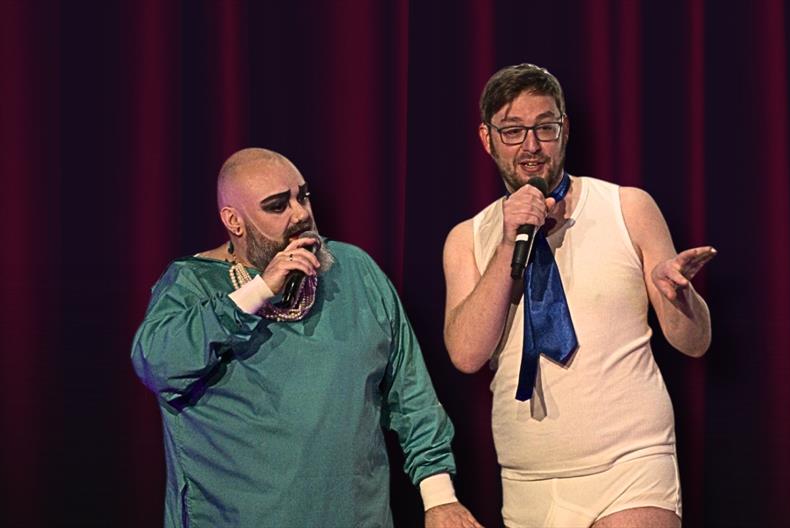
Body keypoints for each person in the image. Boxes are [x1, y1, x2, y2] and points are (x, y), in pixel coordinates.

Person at [132, 148, 481, 527]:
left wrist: (440, 498)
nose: (300, 214)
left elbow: (410, 392)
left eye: (303, 196)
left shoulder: (354, 271)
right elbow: (157, 363)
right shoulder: (192, 284)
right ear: (234, 221)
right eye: (277, 206)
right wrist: (259, 291)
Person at [442, 64, 716, 528]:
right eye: (512, 131)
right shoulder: (466, 238)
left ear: (564, 129)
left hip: (631, 462)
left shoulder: (627, 206)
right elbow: (467, 354)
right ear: (487, 139)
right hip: (530, 476)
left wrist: (680, 298)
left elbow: (694, 342)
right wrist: (509, 240)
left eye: (544, 128)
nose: (531, 146)